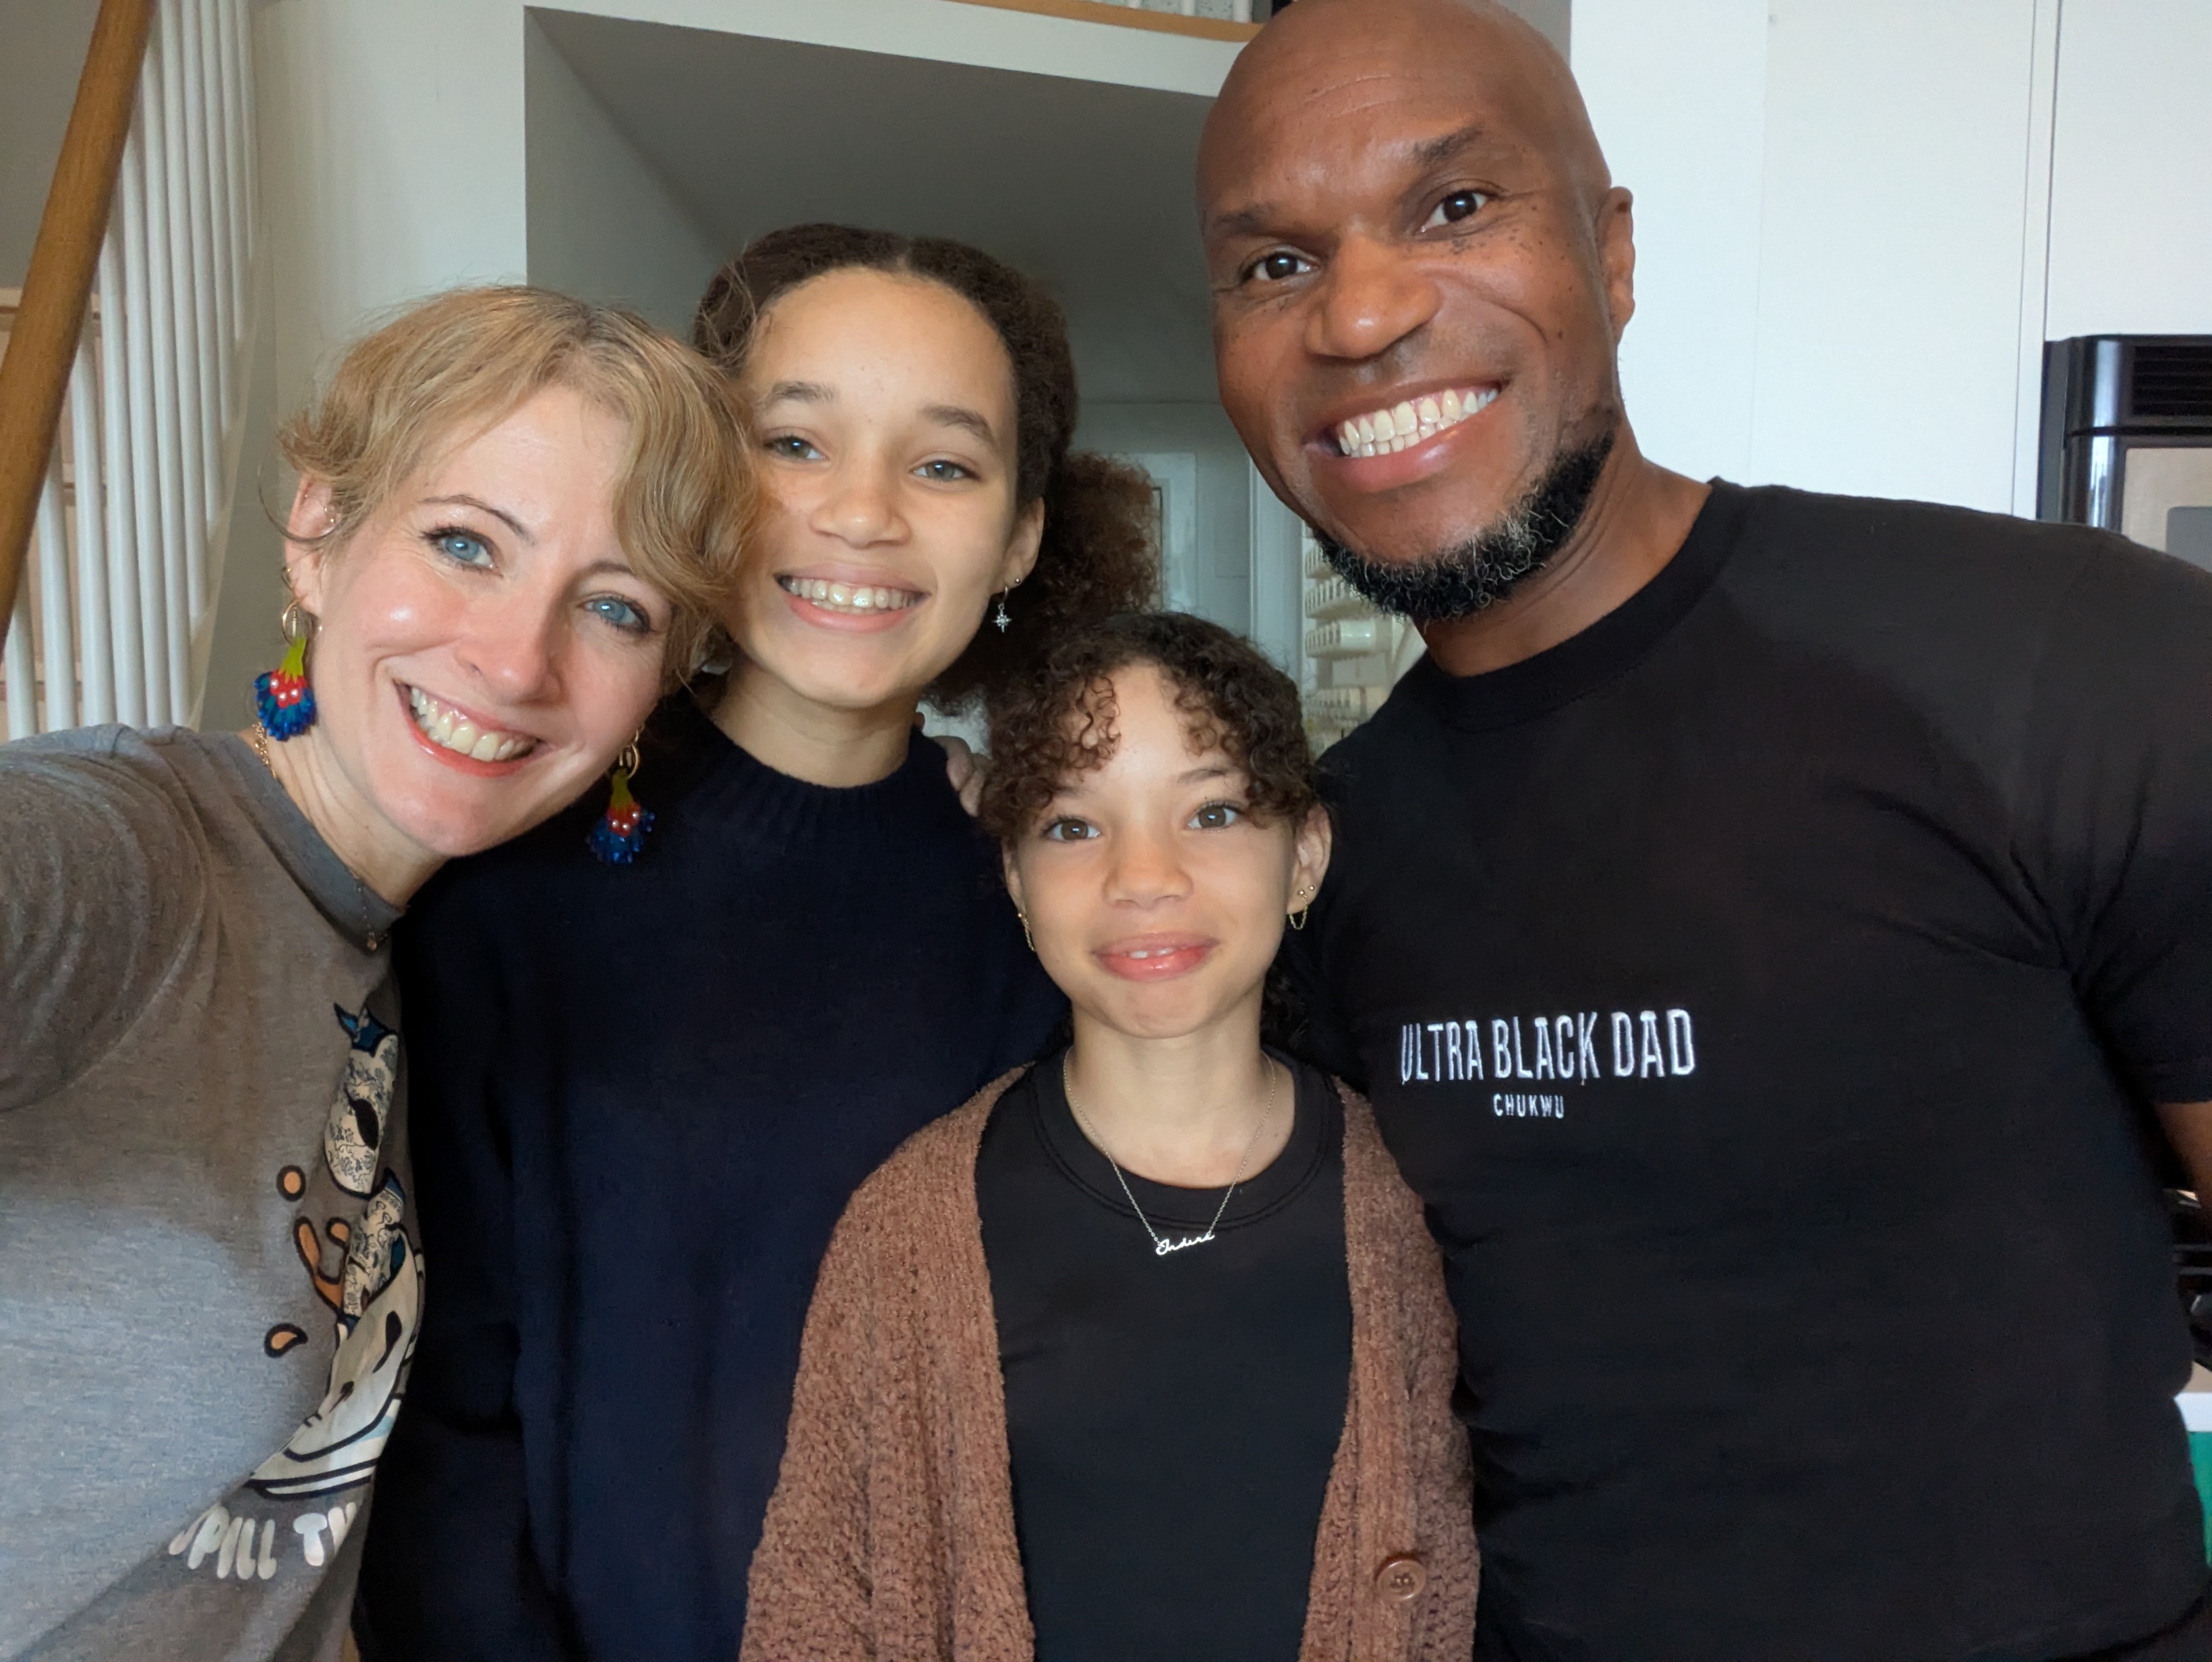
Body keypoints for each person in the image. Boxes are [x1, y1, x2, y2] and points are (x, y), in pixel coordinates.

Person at [1197, 2, 2212, 1659]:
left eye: (1455, 204)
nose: (1361, 313)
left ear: (1609, 250)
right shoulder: (1319, 862)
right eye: (1273, 263)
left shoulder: (2071, 662)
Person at [356, 227, 1158, 1660]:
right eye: (794, 442)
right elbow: (442, 1409)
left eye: (944, 465)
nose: (862, 512)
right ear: (702, 478)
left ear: (1021, 536)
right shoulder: (508, 870)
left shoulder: (1045, 917)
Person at [0, 286, 755, 1662]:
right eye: (466, 542)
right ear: (317, 532)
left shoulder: (403, 945)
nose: (515, 661)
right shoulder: (128, 856)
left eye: (614, 607)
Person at [741, 610, 1476, 1662]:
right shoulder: (906, 1231)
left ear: (1305, 857)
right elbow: (812, 1608)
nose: (1144, 876)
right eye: (1075, 827)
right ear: (1015, 879)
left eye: (1212, 812)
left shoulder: (1417, 1210)